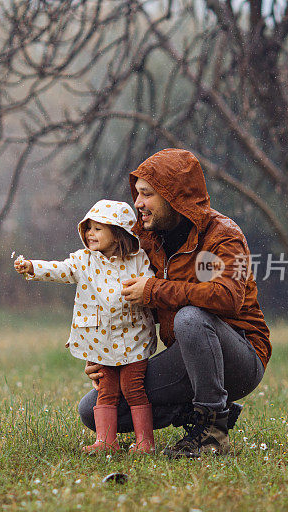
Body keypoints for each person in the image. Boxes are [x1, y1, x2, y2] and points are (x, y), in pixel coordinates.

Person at [79, 148, 271, 458]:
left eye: (147, 194)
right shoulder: (145, 239)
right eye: (137, 194)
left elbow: (228, 297)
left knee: (190, 317)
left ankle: (212, 432)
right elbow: (127, 304)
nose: (138, 203)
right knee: (93, 409)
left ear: (174, 197)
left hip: (240, 358)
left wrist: (155, 289)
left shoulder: (223, 235)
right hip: (188, 356)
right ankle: (195, 414)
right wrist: (105, 352)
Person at [14, 199, 158, 454]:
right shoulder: (83, 261)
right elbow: (61, 269)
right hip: (99, 339)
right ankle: (106, 442)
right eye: (88, 228)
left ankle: (145, 443)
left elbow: (150, 283)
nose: (90, 234)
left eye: (97, 229)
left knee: (133, 387)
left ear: (117, 232)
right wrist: (33, 267)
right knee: (106, 389)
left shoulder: (137, 259)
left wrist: (142, 288)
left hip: (133, 337)